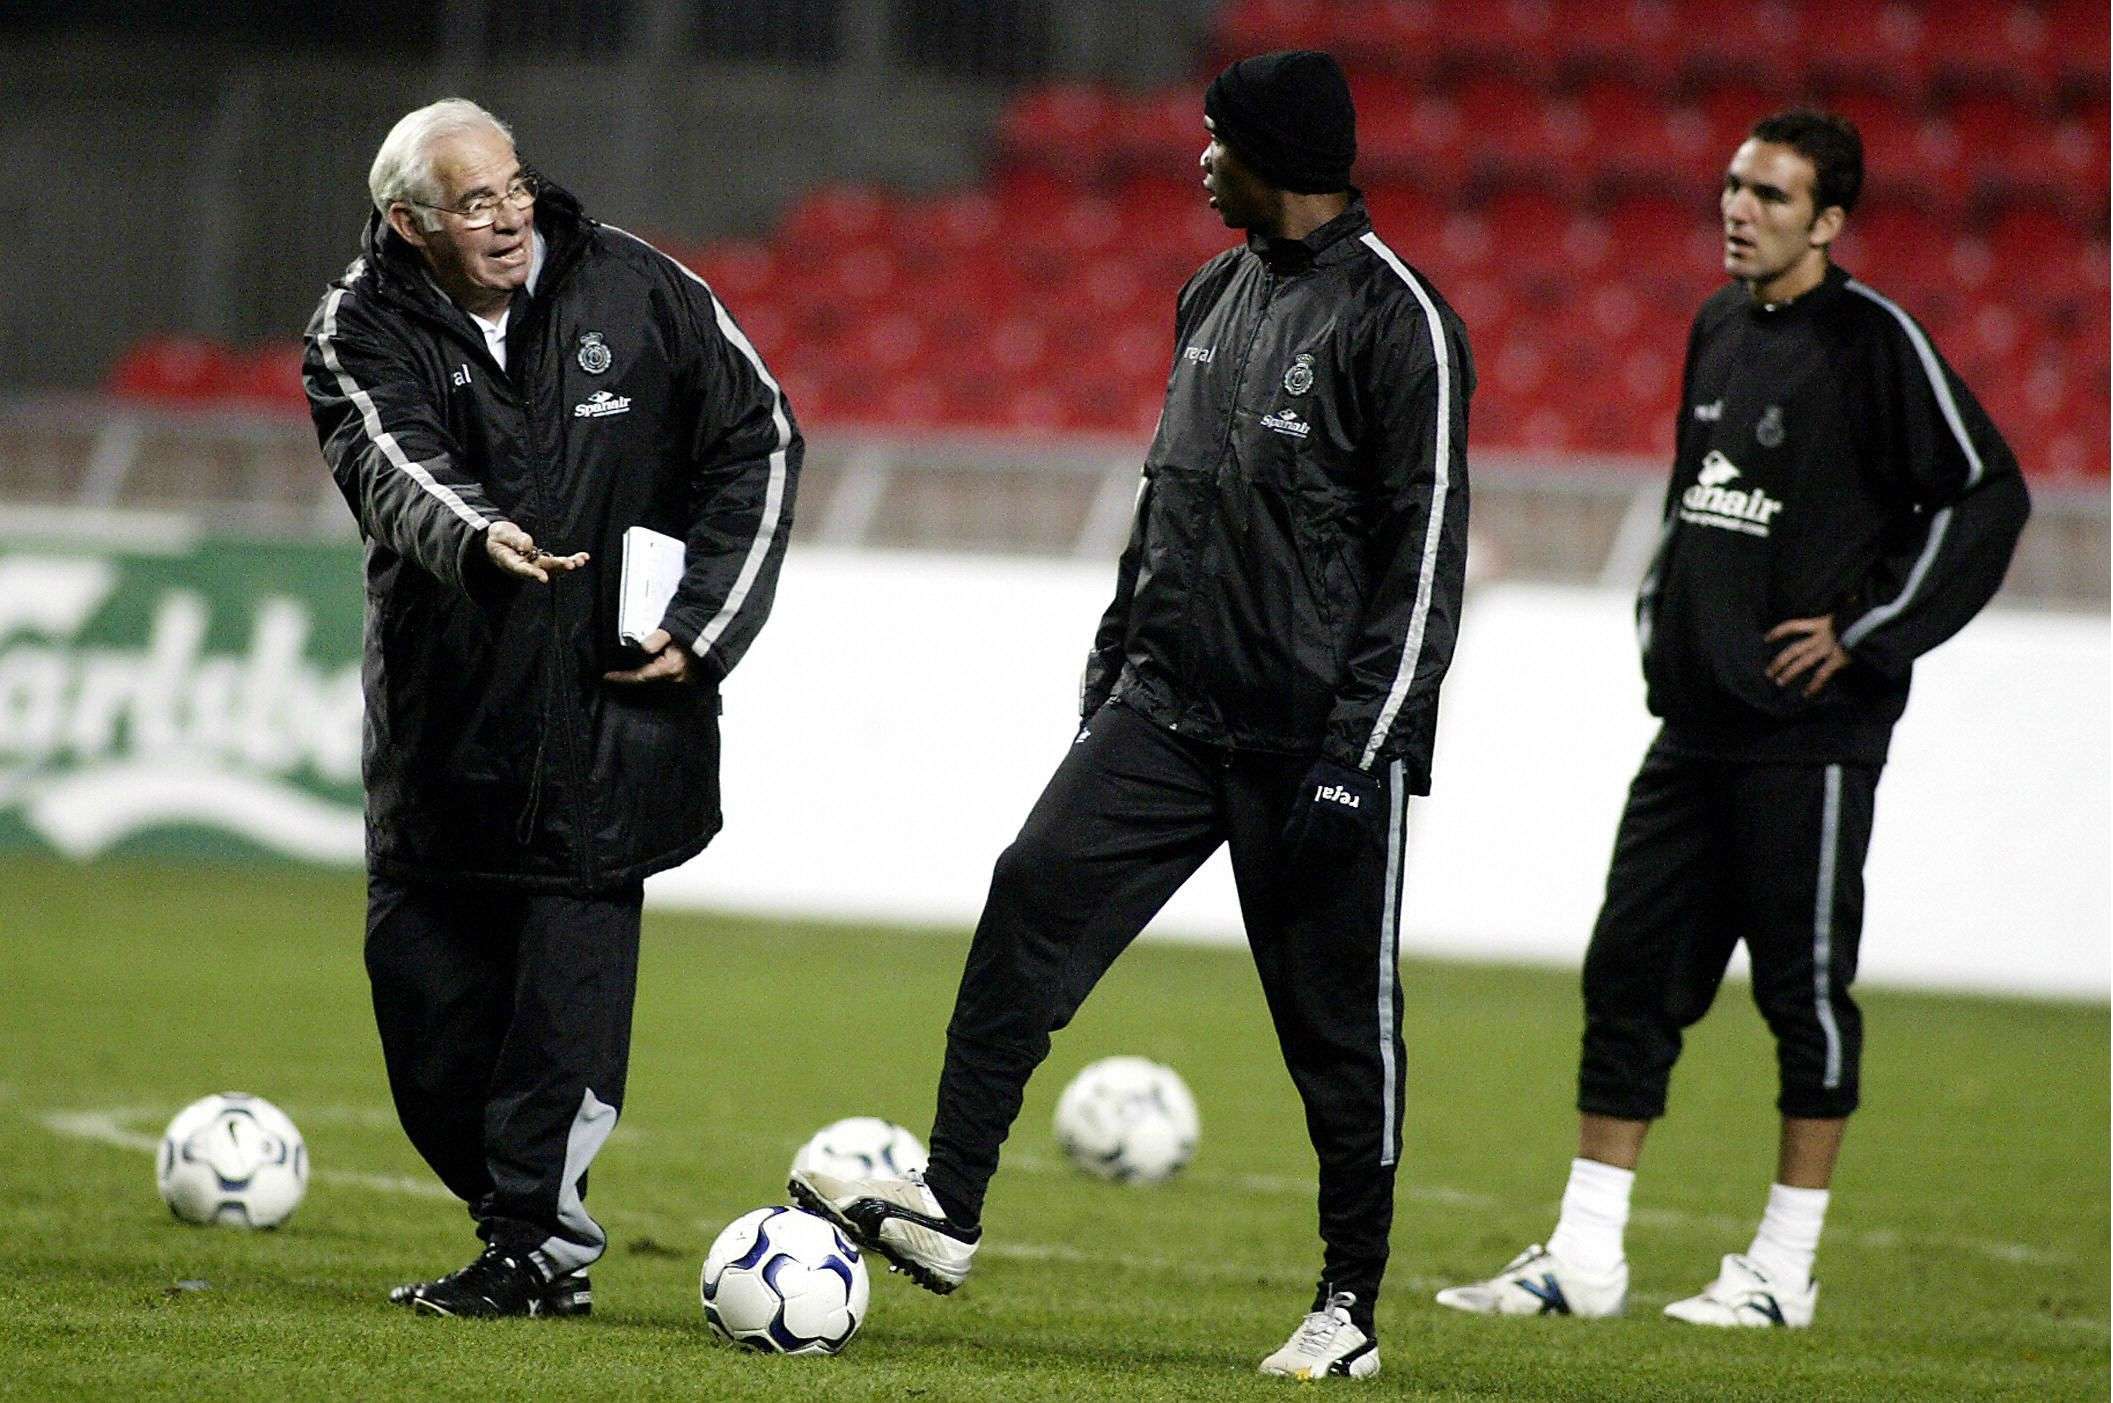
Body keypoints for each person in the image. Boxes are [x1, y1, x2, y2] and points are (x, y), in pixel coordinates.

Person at [793, 51, 1472, 1381]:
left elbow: (1425, 557)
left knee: (1339, 1029)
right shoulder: (1209, 292)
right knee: (1029, 889)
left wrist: (1360, 751)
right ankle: (949, 1203)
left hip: (1314, 744)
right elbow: (1172, 494)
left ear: (1275, 157)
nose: (1200, 161)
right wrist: (1113, 667)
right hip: (1167, 707)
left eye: (1219, 141)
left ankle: (1346, 1301)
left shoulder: (1402, 323)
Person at [1436, 111, 2029, 1329]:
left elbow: (1987, 492)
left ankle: (1781, 1268)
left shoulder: (1872, 341)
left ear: (1828, 220)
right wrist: (1664, 615)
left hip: (1807, 737)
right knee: (1627, 976)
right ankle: (1584, 1255)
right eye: (1732, 186)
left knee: (1800, 994)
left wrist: (1867, 630)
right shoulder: (1716, 324)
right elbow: (1693, 496)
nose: (1738, 209)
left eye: (1770, 194)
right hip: (1694, 727)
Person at [302, 99, 799, 1317]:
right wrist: (482, 537)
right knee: (429, 1031)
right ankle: (517, 1218)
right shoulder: (356, 327)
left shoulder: (639, 288)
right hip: (445, 734)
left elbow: (762, 440)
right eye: (474, 202)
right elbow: (391, 466)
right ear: (409, 223)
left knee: (560, 1016)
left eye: (515, 187)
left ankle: (535, 1245)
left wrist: (705, 625)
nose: (509, 216)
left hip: (606, 728)